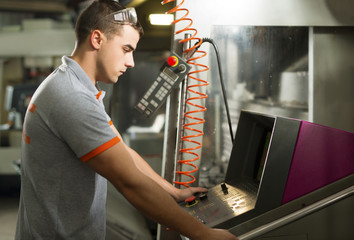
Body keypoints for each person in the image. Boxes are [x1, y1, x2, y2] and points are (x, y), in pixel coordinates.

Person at [15, 0, 237, 239]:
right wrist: (204, 234)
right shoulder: (72, 97)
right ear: (97, 39)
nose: (130, 62)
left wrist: (173, 192)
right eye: (126, 49)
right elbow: (130, 183)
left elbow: (121, 150)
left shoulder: (75, 85)